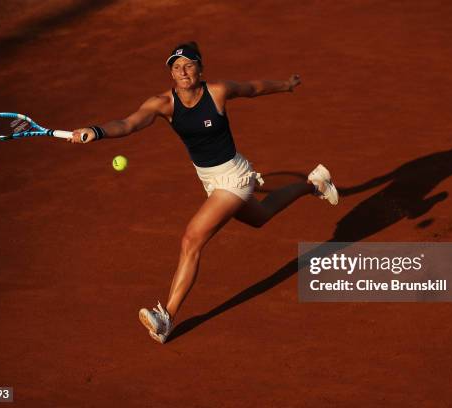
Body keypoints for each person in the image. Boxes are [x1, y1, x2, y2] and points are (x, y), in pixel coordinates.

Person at [70, 42, 339, 343]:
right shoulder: (162, 104)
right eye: (176, 66)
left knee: (191, 239)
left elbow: (253, 88)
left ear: (200, 69)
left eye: (188, 65)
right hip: (210, 180)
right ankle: (313, 184)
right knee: (261, 216)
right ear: (170, 73)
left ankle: (166, 317)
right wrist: (97, 130)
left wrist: (285, 85)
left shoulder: (217, 91)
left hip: (233, 176)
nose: (183, 71)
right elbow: (128, 123)